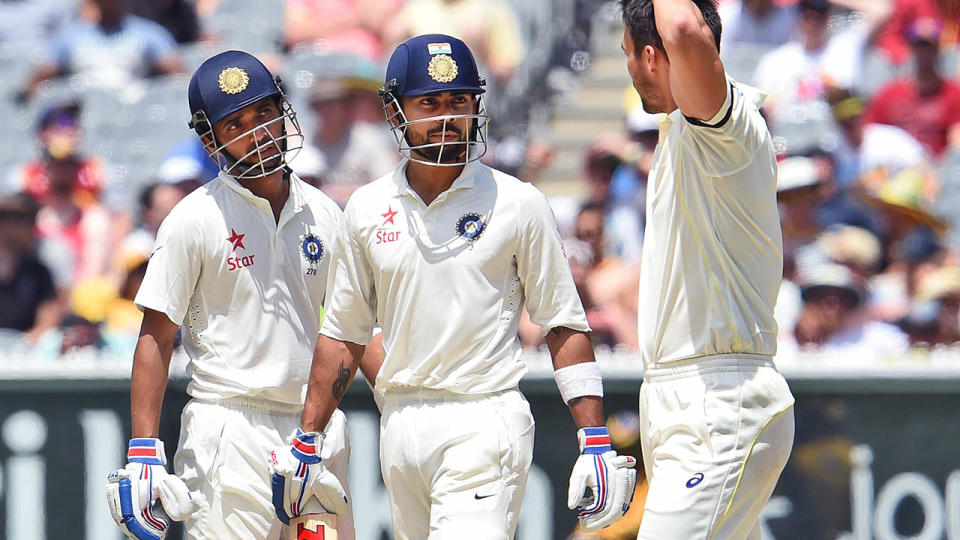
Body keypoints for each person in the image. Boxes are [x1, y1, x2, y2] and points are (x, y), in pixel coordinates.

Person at [271, 34, 638, 538]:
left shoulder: (519, 203)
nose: (447, 116)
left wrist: (594, 438)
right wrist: (307, 440)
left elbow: (562, 323)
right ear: (395, 110)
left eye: (459, 101)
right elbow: (344, 334)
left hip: (484, 418)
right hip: (399, 426)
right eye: (430, 102)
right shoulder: (365, 207)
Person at [104, 50, 364, 540]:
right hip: (228, 430)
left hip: (314, 434)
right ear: (210, 139)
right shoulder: (193, 219)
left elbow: (353, 327)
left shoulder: (327, 214)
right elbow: (156, 337)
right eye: (236, 123)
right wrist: (144, 452)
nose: (257, 131)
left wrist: (402, 405)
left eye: (264, 112)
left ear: (283, 109)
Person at [619, 1, 795, 538]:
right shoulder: (682, 133)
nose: (627, 68)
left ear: (653, 57)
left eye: (627, 54)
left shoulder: (726, 127)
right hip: (692, 401)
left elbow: (680, 24)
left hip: (718, 401)